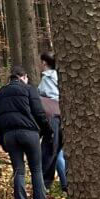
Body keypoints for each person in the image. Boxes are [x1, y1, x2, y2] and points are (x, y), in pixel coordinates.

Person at [0, 65, 53, 199]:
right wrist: (47, 130)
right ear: (23, 77)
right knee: (36, 169)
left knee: (18, 170)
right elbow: (39, 112)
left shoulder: (0, 93)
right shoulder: (29, 89)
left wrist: (2, 141)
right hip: (29, 134)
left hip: (9, 136)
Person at [37, 52, 67, 191]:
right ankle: (65, 184)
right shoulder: (60, 75)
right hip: (62, 116)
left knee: (49, 151)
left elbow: (47, 96)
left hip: (53, 117)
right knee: (59, 151)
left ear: (44, 62)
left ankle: (45, 185)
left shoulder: (48, 78)